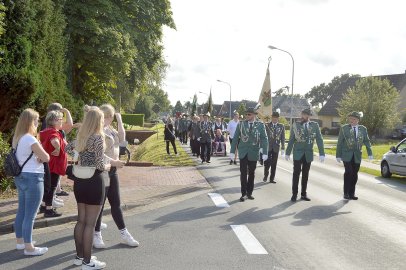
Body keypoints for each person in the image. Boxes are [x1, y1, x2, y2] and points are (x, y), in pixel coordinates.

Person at [67, 107, 109, 269]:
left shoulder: (81, 137)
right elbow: (100, 164)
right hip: (94, 181)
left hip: (80, 181)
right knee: (90, 224)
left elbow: (66, 148)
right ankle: (87, 261)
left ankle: (79, 257)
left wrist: (78, 157)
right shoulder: (98, 138)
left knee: (81, 221)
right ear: (98, 121)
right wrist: (108, 164)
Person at [93, 104, 139, 249]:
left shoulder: (111, 130)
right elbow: (99, 154)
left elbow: (122, 138)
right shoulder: (98, 132)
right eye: (106, 116)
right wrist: (114, 162)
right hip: (103, 170)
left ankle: (124, 233)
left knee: (116, 203)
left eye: (110, 116)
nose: (108, 119)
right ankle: (96, 234)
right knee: (100, 204)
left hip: (113, 171)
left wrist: (119, 120)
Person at [13, 108, 50, 256]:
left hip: (21, 176)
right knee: (31, 214)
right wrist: (41, 156)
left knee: (22, 211)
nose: (38, 123)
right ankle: (29, 248)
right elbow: (46, 157)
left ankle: (21, 242)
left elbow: (26, 156)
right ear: (30, 122)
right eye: (36, 120)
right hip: (33, 177)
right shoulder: (30, 138)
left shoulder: (18, 138)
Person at [285, 108, 325, 202]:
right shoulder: (296, 125)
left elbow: (319, 139)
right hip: (298, 153)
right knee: (296, 174)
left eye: (304, 115)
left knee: (305, 175)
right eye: (301, 114)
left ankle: (303, 194)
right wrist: (288, 152)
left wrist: (321, 153)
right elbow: (291, 140)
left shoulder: (314, 125)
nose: (302, 116)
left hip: (308, 154)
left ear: (308, 116)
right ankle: (294, 194)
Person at [230, 107, 268, 202]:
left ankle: (249, 193)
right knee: (243, 173)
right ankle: (243, 194)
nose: (247, 116)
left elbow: (264, 138)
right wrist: (232, 151)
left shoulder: (260, 125)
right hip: (243, 152)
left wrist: (265, 152)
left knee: (252, 173)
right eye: (246, 114)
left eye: (249, 114)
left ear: (254, 115)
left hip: (254, 152)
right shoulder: (241, 124)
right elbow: (235, 139)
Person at [336, 111, 373, 200]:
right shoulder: (344, 128)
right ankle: (346, 193)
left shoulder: (363, 129)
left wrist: (370, 153)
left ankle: (352, 193)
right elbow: (340, 142)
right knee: (348, 172)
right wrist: (338, 155)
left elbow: (367, 141)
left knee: (354, 173)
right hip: (346, 154)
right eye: (350, 118)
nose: (351, 120)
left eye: (354, 119)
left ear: (358, 120)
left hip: (357, 155)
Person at [40, 103, 73, 198]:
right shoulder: (53, 128)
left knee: (51, 183)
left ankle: (48, 201)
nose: (62, 120)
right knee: (52, 183)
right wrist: (58, 148)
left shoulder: (48, 125)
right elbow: (69, 126)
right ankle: (49, 204)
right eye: (61, 119)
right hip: (55, 161)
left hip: (51, 160)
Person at [39, 110, 68, 218]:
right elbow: (54, 140)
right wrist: (57, 147)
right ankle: (49, 210)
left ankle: (43, 205)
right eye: (61, 119)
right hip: (54, 165)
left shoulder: (45, 131)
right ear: (55, 120)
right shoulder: (53, 132)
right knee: (52, 187)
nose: (62, 122)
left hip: (48, 164)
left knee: (47, 187)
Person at [263, 110, 285, 183]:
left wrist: (283, 147)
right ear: (271, 118)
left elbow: (283, 137)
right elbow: (264, 137)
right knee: (267, 162)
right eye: (273, 117)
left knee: (274, 163)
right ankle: (266, 175)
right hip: (268, 147)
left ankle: (272, 178)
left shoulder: (281, 126)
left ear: (278, 118)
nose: (275, 119)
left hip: (276, 147)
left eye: (276, 117)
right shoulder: (267, 125)